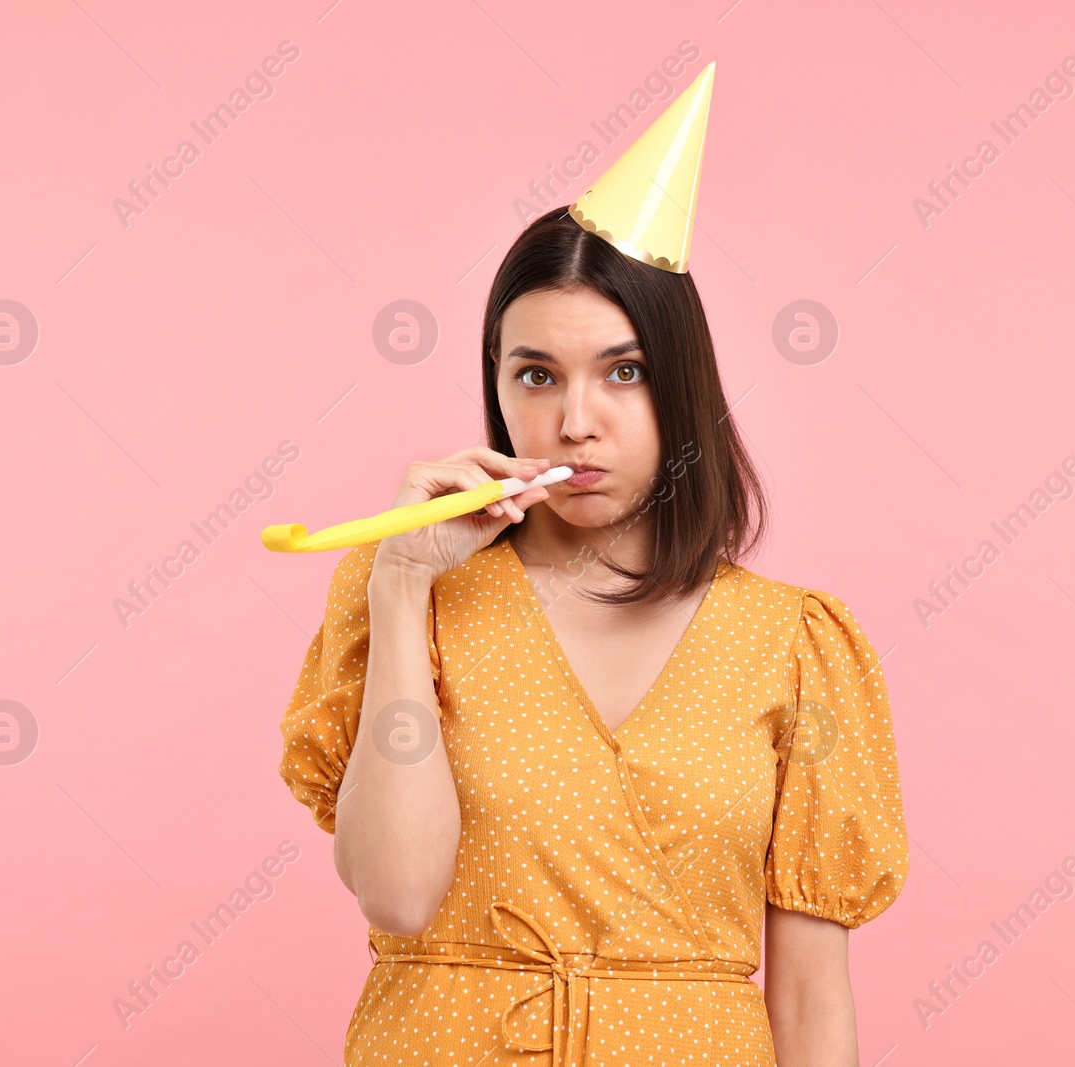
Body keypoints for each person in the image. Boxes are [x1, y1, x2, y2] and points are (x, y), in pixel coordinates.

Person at [278, 64, 910, 1065]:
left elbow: (809, 994)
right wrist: (399, 589)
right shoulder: (404, 592)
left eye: (624, 371)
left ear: (682, 386)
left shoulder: (793, 643)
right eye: (536, 373)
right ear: (496, 388)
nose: (575, 418)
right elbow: (397, 894)